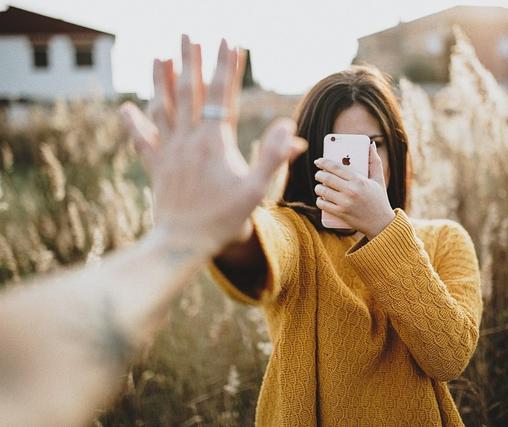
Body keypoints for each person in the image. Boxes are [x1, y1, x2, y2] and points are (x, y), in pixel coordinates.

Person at [140, 45, 483, 426]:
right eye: (341, 150)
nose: (360, 167)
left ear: (397, 149)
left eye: (376, 145)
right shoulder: (295, 232)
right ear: (310, 159)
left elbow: (449, 356)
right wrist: (233, 224)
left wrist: (384, 229)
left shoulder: (445, 240)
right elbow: (262, 248)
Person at [0, 35, 306, 427]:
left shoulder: (413, 237)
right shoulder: (297, 231)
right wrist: (186, 236)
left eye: (376, 145)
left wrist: (181, 236)